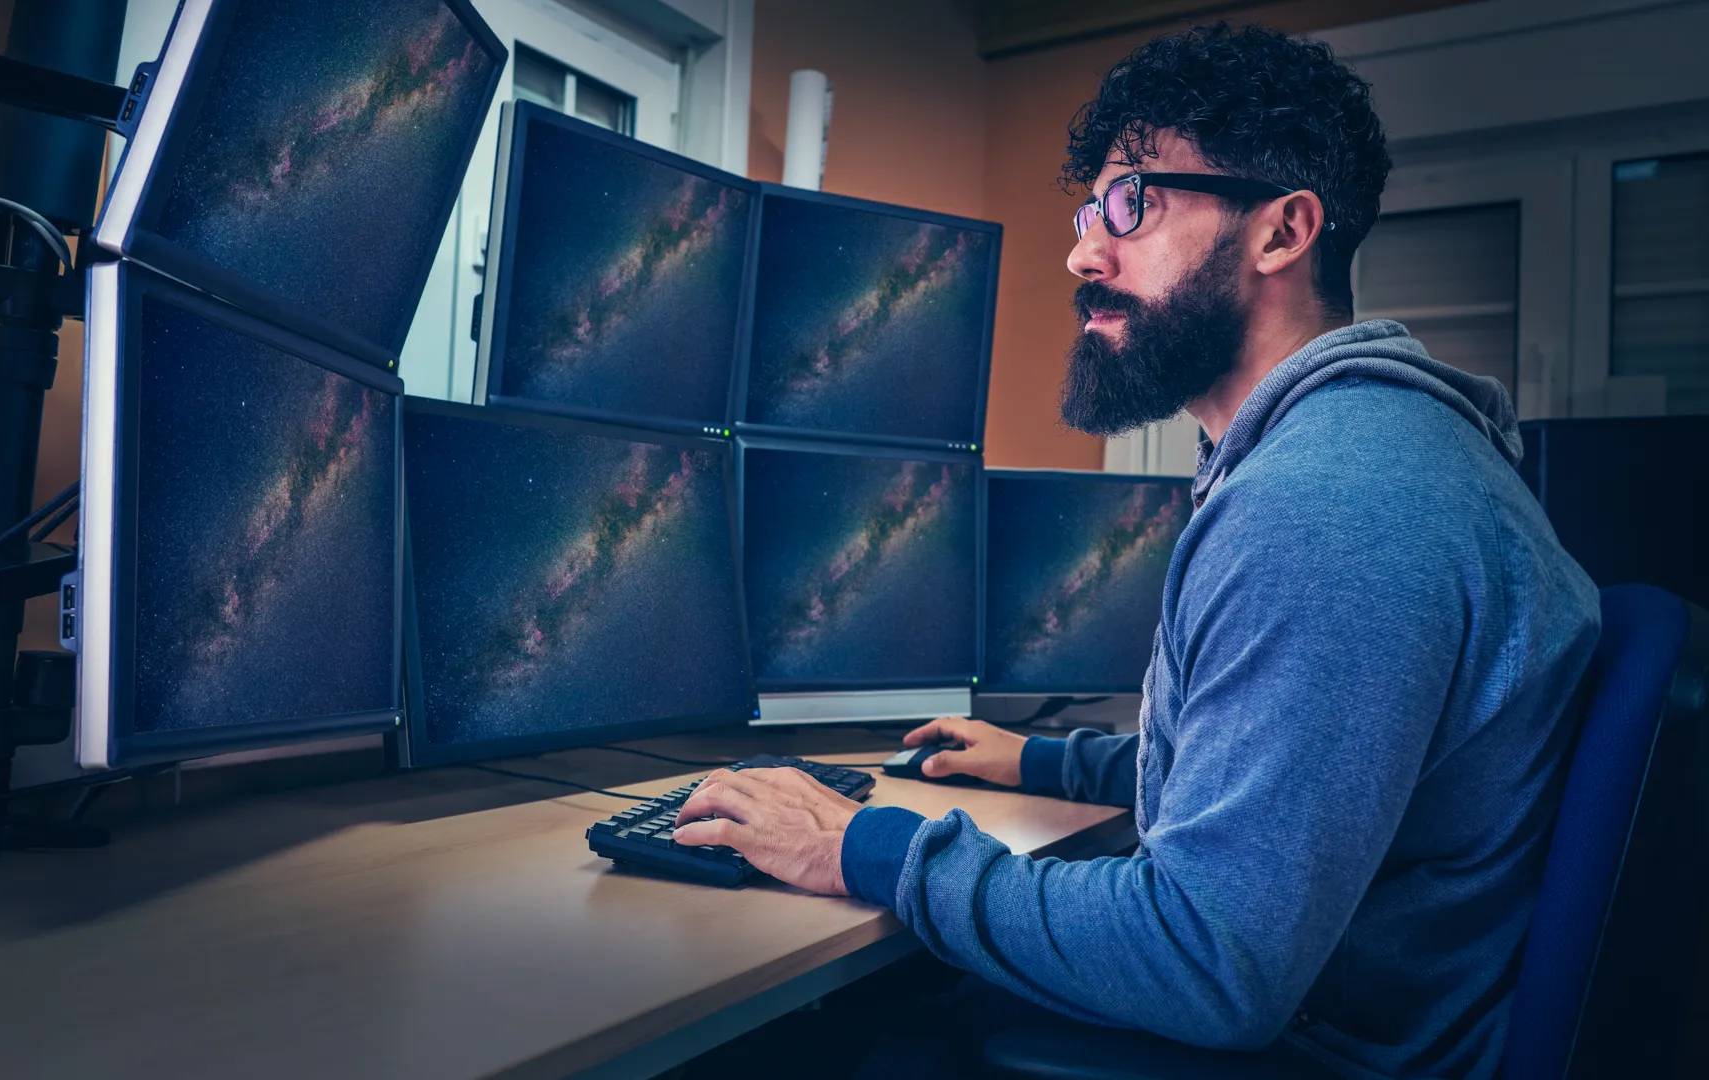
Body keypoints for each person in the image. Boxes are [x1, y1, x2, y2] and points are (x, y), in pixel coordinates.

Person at [672, 22, 1600, 1079]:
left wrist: (857, 847)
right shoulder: (1361, 459)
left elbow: (1209, 960)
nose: (1082, 252)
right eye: (1091, 210)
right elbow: (1276, 770)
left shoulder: (1332, 506)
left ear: (1283, 231)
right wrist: (1050, 759)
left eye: (1135, 203)